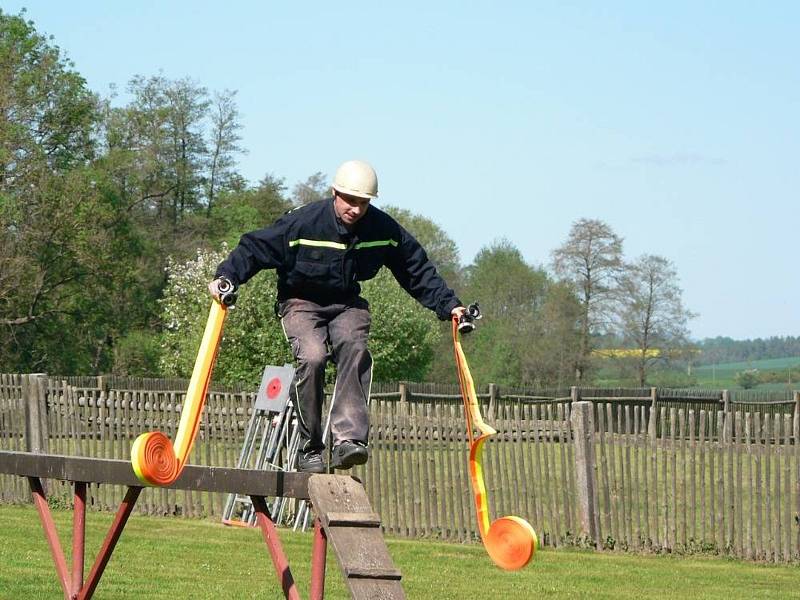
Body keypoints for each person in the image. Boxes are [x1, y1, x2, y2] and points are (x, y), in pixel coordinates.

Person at [209, 160, 464, 473]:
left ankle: (348, 441)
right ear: (335, 193)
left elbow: (416, 268)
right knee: (313, 357)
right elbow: (254, 247)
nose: (356, 210)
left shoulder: (383, 230)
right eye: (350, 201)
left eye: (363, 203)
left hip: (346, 304)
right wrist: (227, 277)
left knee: (355, 349)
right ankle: (309, 447)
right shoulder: (303, 223)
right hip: (300, 302)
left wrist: (449, 305)